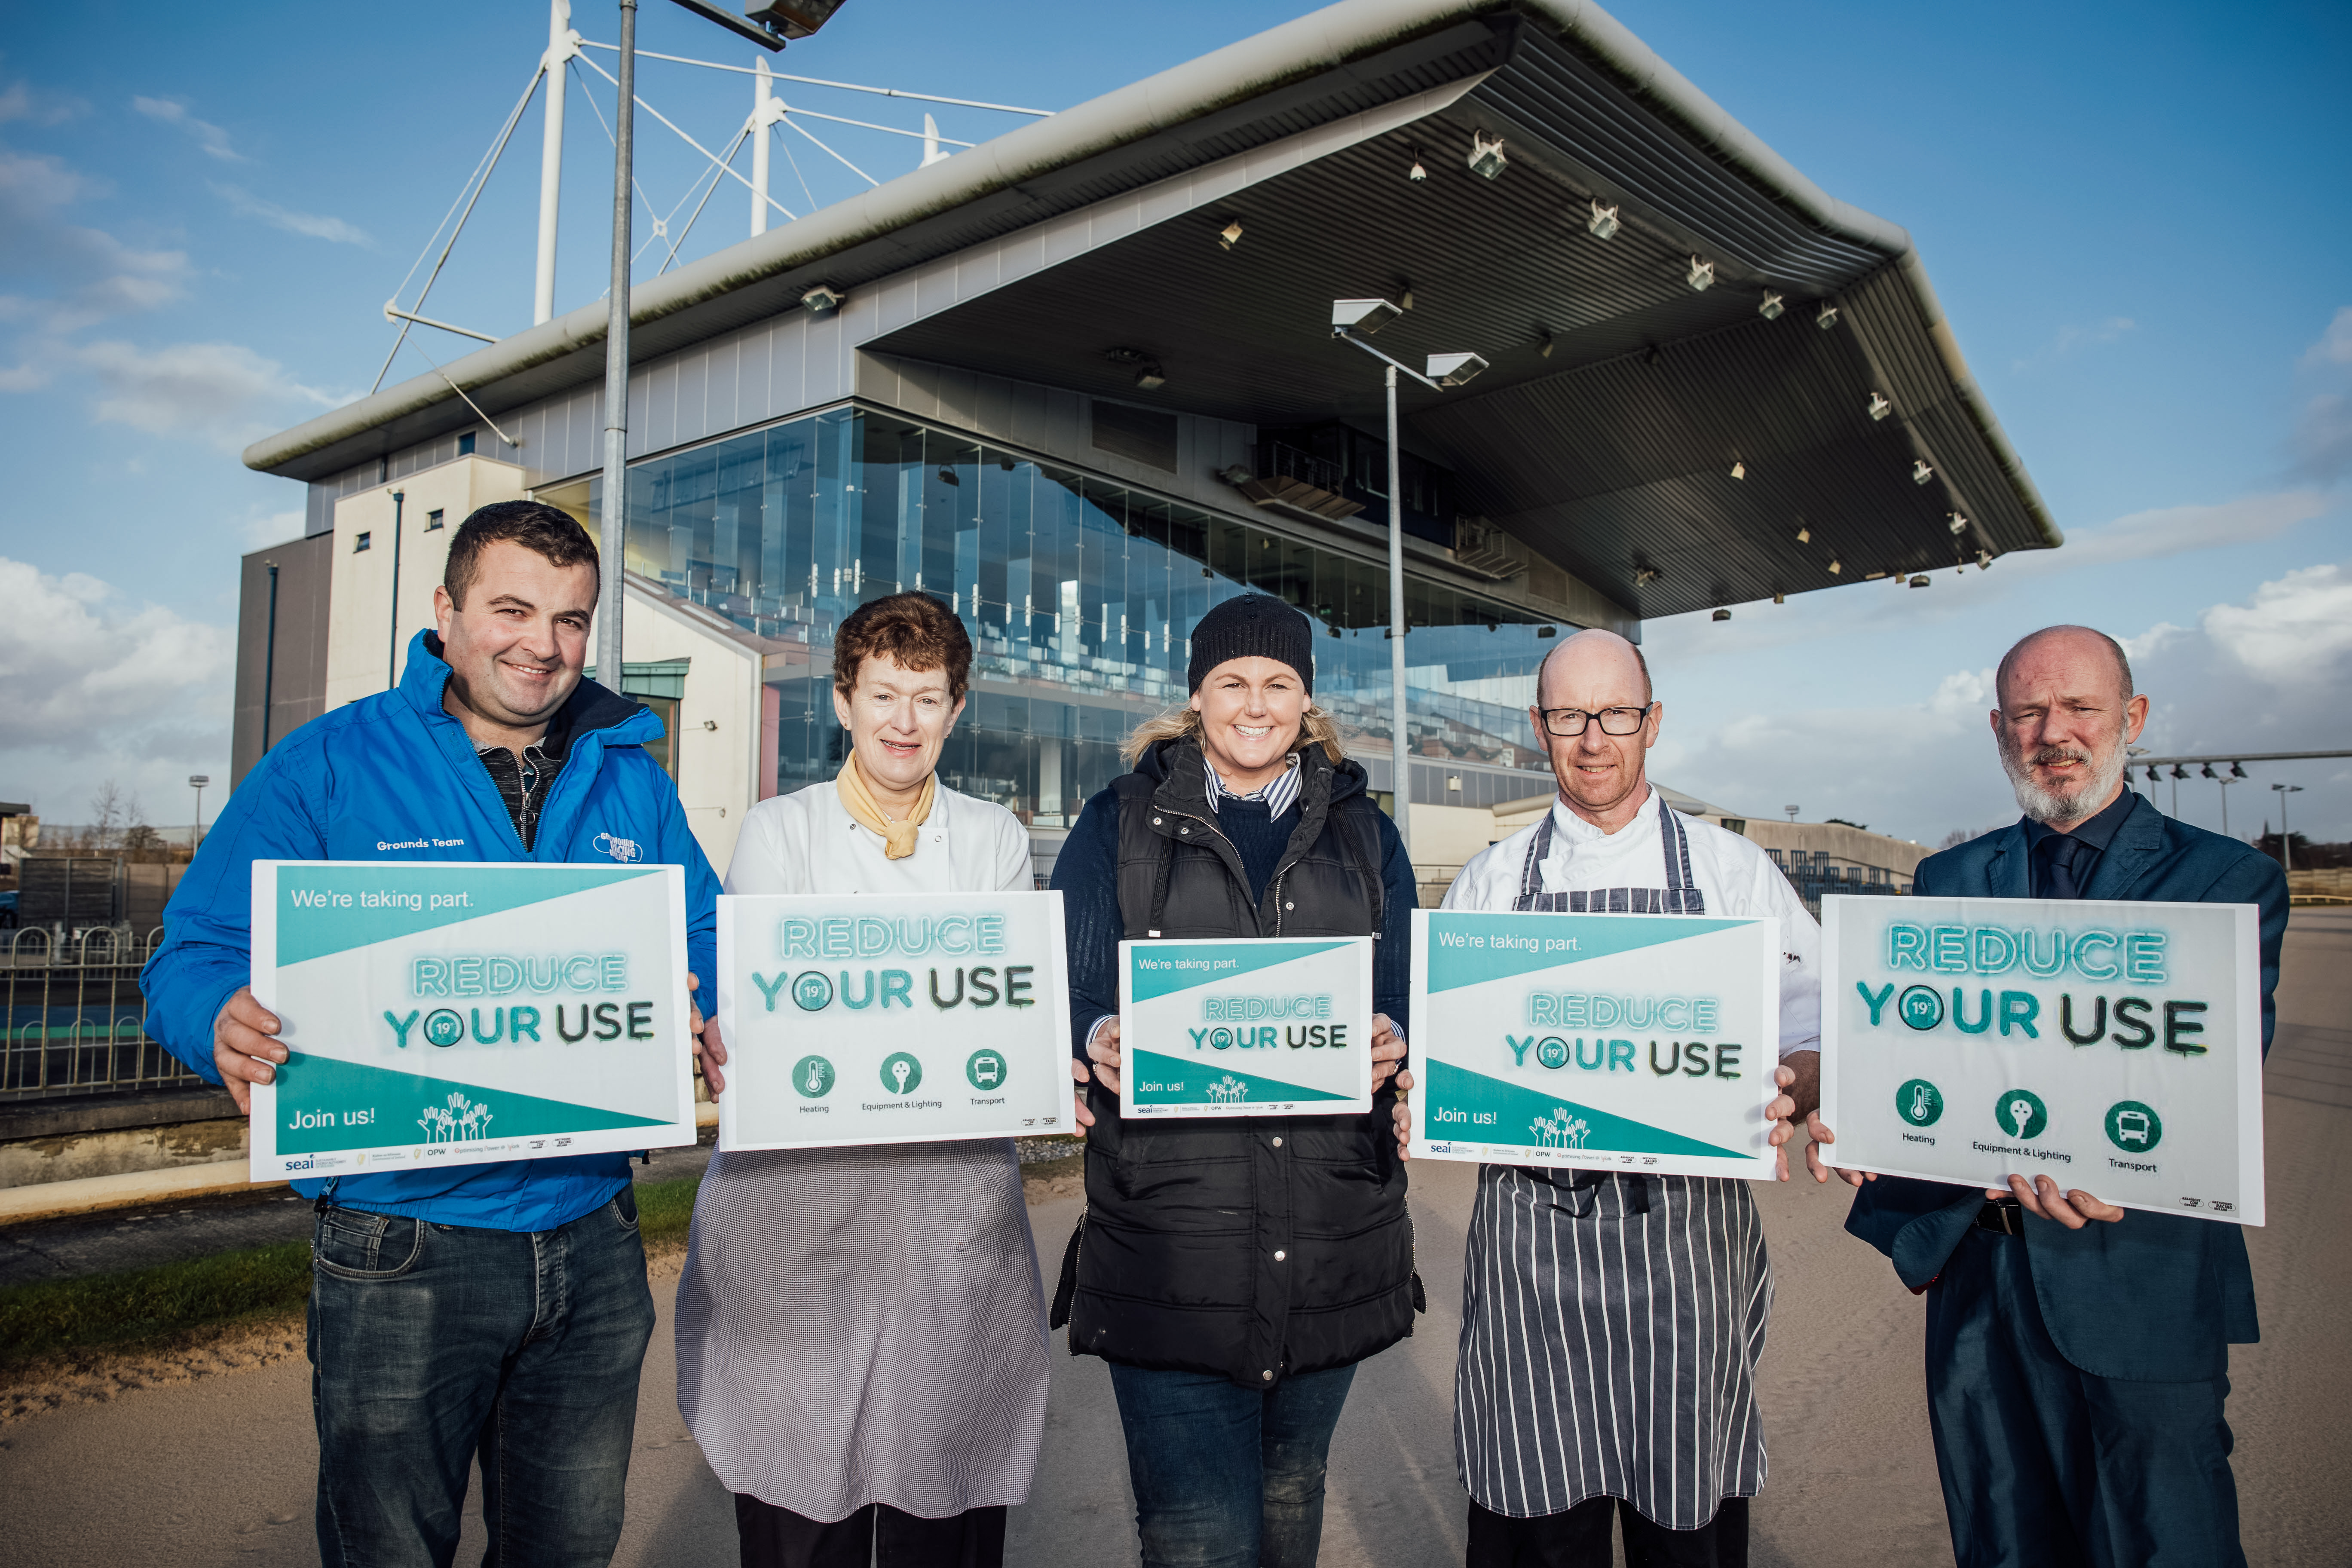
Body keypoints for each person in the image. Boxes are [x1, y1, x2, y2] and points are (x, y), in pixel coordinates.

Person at [142, 501, 723, 1568]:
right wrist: (216, 1015)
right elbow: (194, 951)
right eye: (512, 609)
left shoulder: (631, 773)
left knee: (568, 1547)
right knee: (391, 1551)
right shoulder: (327, 764)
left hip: (591, 1231)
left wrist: (711, 1002)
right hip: (400, 1243)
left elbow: (703, 929)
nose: (542, 646)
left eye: (571, 620)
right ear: (446, 613)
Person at [1820, 625, 2288, 1568]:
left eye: (2079, 706)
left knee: (2166, 1544)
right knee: (2002, 1541)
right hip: (1981, 1288)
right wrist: (1869, 1116)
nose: (2054, 732)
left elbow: (2218, 1070)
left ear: (2133, 718)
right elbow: (1914, 1047)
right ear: (2000, 728)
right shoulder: (1947, 880)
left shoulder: (2227, 883)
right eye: (2029, 712)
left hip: (2137, 1271)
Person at [1391, 627, 1820, 1568]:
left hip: (1686, 1250)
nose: (1594, 739)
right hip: (1532, 1249)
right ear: (1538, 730)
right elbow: (1447, 1063)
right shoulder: (1491, 883)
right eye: (1569, 716)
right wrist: (1422, 1099)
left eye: (1616, 714)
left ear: (1653, 722)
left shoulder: (1733, 874)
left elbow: (1814, 1030)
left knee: (1687, 1527)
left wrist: (1800, 1089)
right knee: (1540, 1524)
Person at [674, 591, 1050, 1568]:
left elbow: (998, 1026)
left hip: (952, 1217)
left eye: (928, 699)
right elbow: (774, 1023)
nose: (904, 722)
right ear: (842, 702)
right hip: (799, 1219)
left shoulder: (995, 840)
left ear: (957, 710)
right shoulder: (776, 832)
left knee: (943, 1497)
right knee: (806, 1512)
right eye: (884, 695)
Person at [1051, 592, 1418, 1568]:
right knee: (1198, 1538)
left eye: (1278, 683)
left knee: (1290, 1503)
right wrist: (1094, 1035)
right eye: (1232, 683)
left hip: (1331, 1238)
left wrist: (1397, 1036)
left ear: (1306, 700)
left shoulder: (1366, 832)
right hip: (1170, 1247)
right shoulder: (1114, 823)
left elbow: (1406, 989)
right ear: (1197, 696)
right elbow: (1066, 984)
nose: (1255, 705)